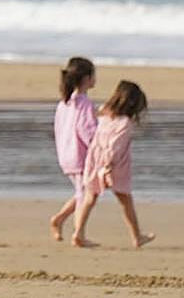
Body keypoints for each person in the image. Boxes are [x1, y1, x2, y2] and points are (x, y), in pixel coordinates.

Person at [71, 81, 155, 249]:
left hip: (95, 159)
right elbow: (115, 146)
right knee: (125, 200)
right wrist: (108, 166)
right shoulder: (124, 123)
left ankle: (78, 233)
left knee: (90, 197)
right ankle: (137, 236)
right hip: (115, 165)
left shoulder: (104, 113)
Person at [49, 57, 97, 242]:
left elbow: (59, 128)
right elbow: (88, 131)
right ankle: (79, 233)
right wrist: (98, 149)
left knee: (82, 191)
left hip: (67, 153)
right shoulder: (84, 104)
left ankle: (59, 219)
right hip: (81, 155)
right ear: (86, 78)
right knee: (85, 194)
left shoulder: (64, 103)